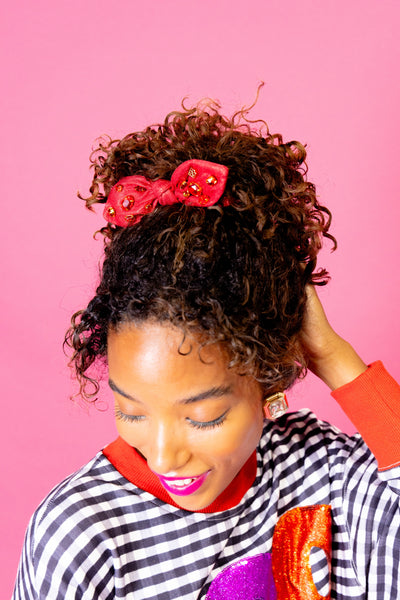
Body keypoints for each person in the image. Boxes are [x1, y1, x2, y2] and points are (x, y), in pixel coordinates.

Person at [12, 100, 400, 600]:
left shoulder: (317, 467)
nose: (163, 456)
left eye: (205, 417)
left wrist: (330, 355)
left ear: (269, 377)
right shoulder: (82, 536)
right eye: (131, 411)